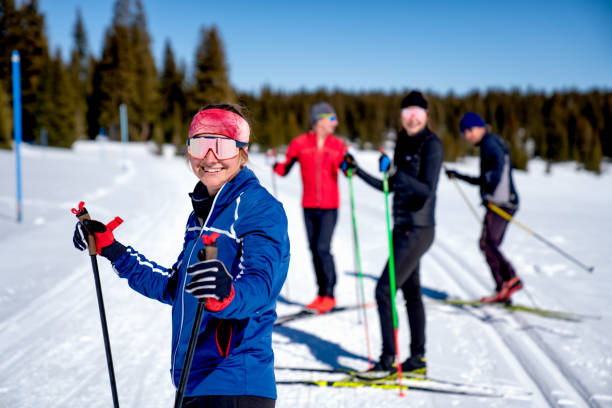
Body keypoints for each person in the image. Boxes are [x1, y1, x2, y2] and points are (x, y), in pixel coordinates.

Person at [73, 104, 289, 408]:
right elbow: (175, 287)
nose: (209, 157)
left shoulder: (259, 207)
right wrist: (112, 250)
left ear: (243, 151)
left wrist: (226, 294)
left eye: (222, 145)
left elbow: (261, 285)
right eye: (200, 144)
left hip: (235, 383)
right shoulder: (201, 215)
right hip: (193, 382)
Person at [342, 91, 443, 375]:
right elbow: (390, 187)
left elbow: (426, 190)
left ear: (425, 115)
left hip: (419, 228)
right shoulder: (402, 142)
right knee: (411, 293)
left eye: (417, 113)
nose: (411, 119)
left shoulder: (431, 144)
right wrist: (357, 171)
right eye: (406, 113)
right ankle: (417, 360)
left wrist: (397, 175)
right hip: (403, 228)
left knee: (384, 290)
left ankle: (388, 361)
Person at [273, 102, 346, 313]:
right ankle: (321, 294)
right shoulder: (300, 144)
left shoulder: (338, 145)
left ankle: (330, 294)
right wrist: (273, 163)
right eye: (332, 118)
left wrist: (349, 167)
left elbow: (347, 168)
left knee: (323, 248)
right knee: (314, 250)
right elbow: (283, 169)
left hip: (330, 206)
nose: (336, 123)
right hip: (309, 205)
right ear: (319, 120)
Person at [445, 112, 522, 303]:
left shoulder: (490, 144)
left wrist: (491, 188)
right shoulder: (489, 143)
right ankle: (504, 287)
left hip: (502, 203)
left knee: (488, 244)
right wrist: (459, 176)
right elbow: (483, 179)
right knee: (488, 244)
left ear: (479, 127)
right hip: (502, 202)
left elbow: (497, 167)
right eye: (465, 133)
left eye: (469, 131)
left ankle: (509, 280)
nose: (468, 136)